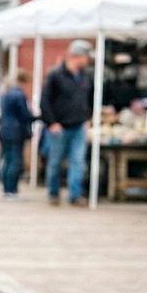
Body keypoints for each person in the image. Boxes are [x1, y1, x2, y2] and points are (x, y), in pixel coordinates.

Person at [39, 39, 94, 205]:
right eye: (86, 57)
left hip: (79, 126)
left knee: (78, 162)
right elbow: (45, 100)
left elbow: (90, 99)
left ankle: (75, 194)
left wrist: (88, 118)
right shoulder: (55, 74)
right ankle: (53, 193)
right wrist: (51, 122)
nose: (88, 60)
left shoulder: (86, 76)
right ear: (77, 56)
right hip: (60, 127)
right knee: (55, 163)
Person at [0, 68, 35, 199]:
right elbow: (24, 114)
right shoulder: (19, 95)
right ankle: (12, 189)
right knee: (15, 160)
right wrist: (35, 117)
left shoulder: (6, 93)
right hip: (16, 130)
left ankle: (6, 188)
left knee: (7, 159)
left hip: (4, 129)